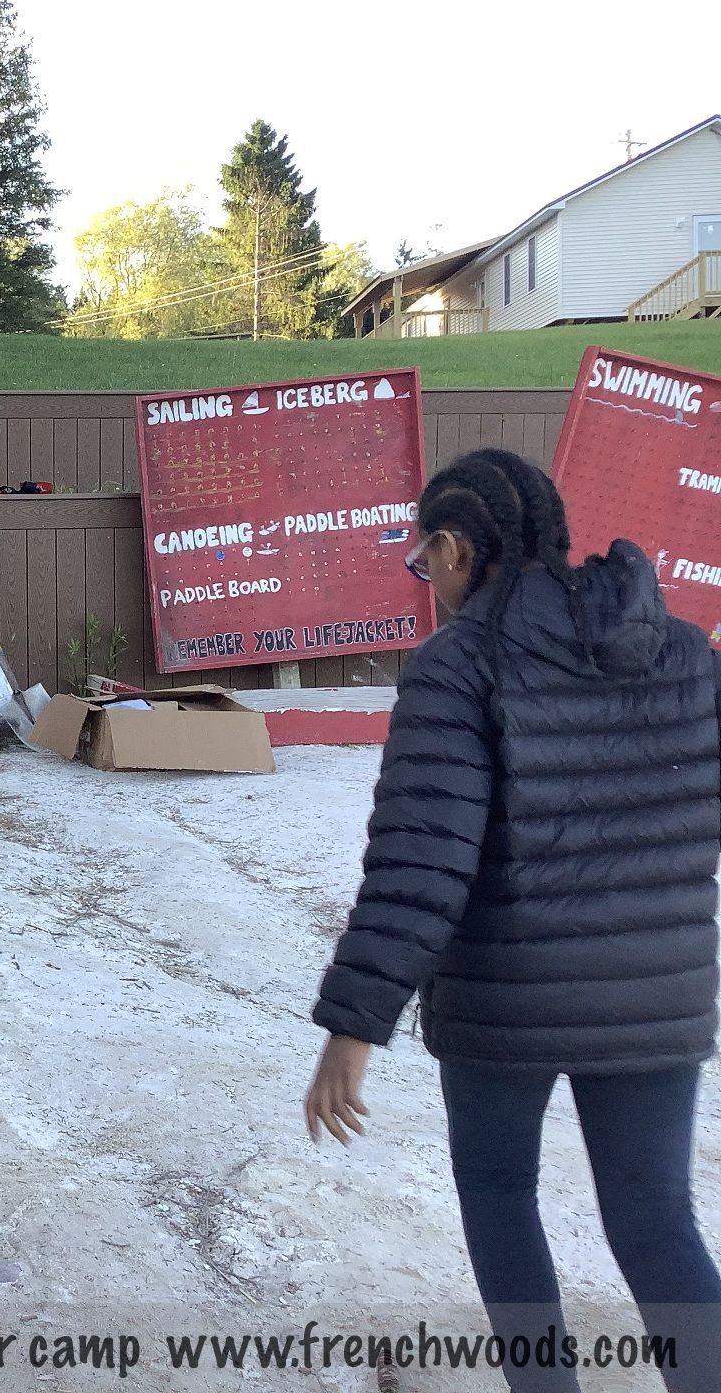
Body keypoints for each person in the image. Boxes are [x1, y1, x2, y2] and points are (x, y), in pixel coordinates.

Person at [305, 448, 721, 1392]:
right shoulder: (682, 650)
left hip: (506, 1002)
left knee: (500, 1197)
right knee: (658, 1222)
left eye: (425, 562)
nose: (429, 583)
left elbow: (422, 860)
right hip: (656, 1000)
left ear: (456, 548)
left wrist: (352, 1028)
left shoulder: (460, 664)